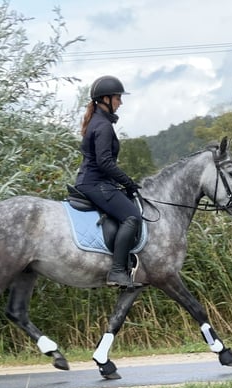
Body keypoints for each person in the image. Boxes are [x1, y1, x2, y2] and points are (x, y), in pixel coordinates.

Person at [74, 75, 143, 288]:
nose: (120, 102)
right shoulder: (103, 126)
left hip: (93, 181)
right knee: (132, 216)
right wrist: (129, 182)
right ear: (105, 99)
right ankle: (116, 272)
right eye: (117, 98)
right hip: (95, 183)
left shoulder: (98, 121)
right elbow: (105, 163)